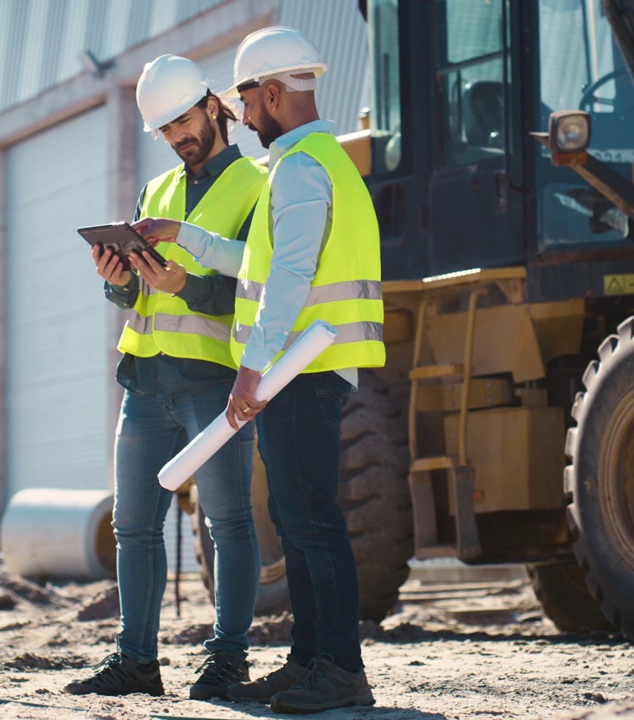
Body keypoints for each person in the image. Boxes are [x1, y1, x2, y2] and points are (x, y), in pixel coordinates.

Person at [134, 27, 384, 713]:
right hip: (301, 369)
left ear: (273, 93)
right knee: (297, 515)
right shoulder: (308, 164)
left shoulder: (303, 168)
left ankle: (339, 667)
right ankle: (310, 660)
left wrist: (250, 370)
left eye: (245, 99)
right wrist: (180, 234)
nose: (240, 115)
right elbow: (258, 262)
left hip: (306, 368)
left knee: (310, 518)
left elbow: (291, 280)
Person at [64, 54, 267, 700]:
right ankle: (136, 661)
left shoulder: (257, 187)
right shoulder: (156, 192)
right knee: (134, 527)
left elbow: (258, 288)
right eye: (165, 130)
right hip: (146, 384)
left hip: (214, 379)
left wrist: (188, 285)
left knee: (229, 522)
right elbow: (137, 300)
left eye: (182, 121)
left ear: (213, 106)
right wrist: (118, 283)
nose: (177, 137)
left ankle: (228, 660)